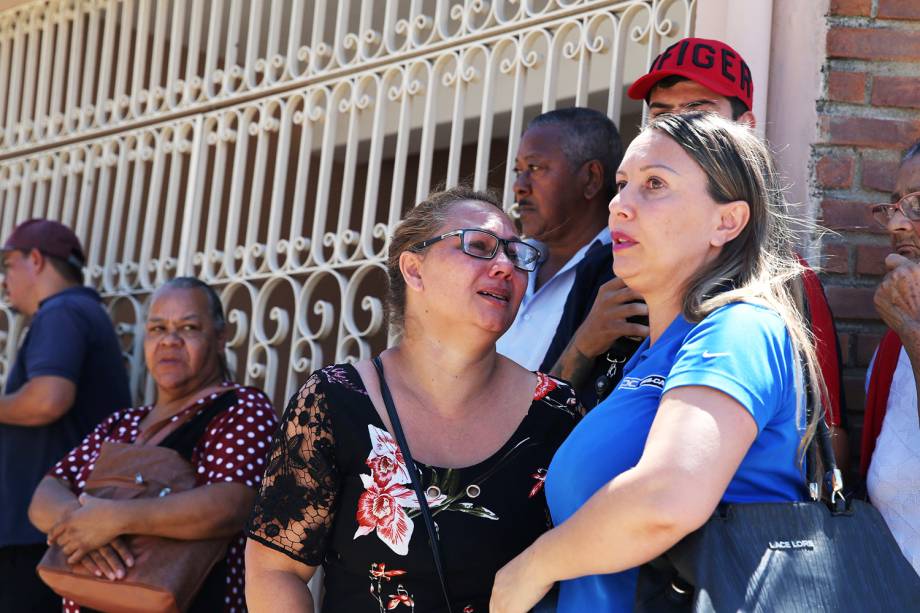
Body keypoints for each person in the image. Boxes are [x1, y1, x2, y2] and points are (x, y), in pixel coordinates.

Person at [490, 112, 824, 612]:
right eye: (622, 185)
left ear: (726, 221)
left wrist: (531, 568)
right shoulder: (652, 354)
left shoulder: (737, 329)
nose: (621, 205)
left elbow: (666, 498)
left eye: (654, 184)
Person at [245, 186, 582, 612]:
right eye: (479, 247)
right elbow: (275, 570)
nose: (505, 267)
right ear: (414, 270)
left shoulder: (555, 411)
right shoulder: (332, 402)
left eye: (517, 255)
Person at [555, 36, 849, 454]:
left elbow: (827, 434)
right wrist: (584, 343)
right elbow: (545, 401)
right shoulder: (607, 262)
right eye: (660, 115)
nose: (676, 127)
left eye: (696, 112)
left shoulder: (778, 279)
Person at [28, 277, 277, 612]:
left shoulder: (240, 408)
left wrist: (116, 519)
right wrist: (86, 523)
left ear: (219, 338)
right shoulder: (121, 424)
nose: (169, 341)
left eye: (187, 327)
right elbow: (46, 493)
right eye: (157, 329)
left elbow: (231, 504)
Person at [0, 219, 132, 612]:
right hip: (54, 530)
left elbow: (47, 399)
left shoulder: (62, 312)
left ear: (35, 260)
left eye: (7, 266)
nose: (5, 280)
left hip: (38, 537)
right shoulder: (80, 311)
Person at [497, 107, 645, 395]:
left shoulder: (622, 274)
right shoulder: (505, 264)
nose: (519, 186)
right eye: (519, 171)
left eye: (535, 168)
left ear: (591, 178)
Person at [862, 138, 920, 574]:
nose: (896, 224)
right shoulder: (891, 348)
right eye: (894, 206)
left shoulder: (905, 329)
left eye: (916, 205)